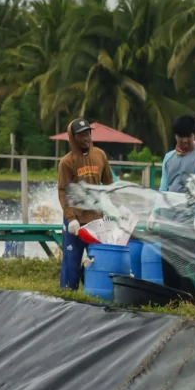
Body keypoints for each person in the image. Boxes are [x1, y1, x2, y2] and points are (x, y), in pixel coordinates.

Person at [146, 115, 195, 294]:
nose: (185, 140)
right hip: (168, 222)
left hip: (190, 222)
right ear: (175, 137)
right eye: (181, 136)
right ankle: (172, 304)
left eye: (189, 136)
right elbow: (164, 188)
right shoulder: (169, 158)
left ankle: (191, 304)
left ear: (194, 135)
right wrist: (155, 213)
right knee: (169, 267)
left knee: (188, 267)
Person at [57, 118, 113, 290]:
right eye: (81, 135)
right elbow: (62, 192)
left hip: (96, 220)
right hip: (75, 222)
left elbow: (109, 183)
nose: (86, 138)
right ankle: (68, 293)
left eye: (88, 133)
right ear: (73, 138)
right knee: (71, 261)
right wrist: (70, 218)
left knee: (97, 259)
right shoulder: (66, 162)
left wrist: (111, 207)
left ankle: (95, 291)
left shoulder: (100, 155)